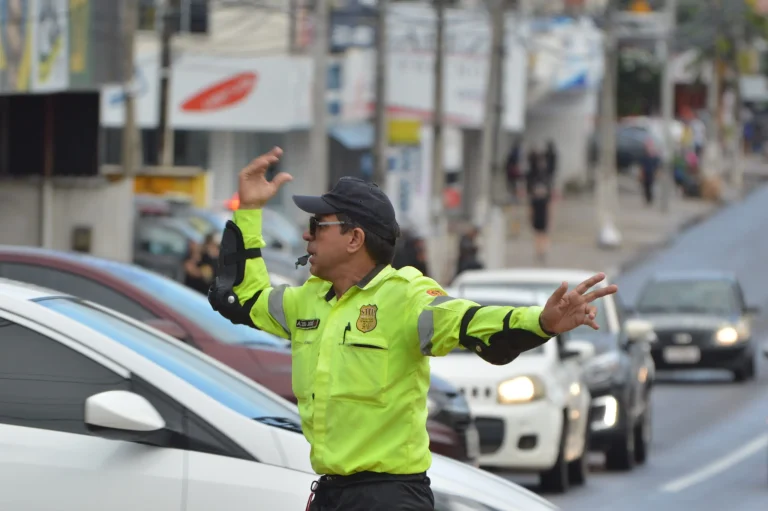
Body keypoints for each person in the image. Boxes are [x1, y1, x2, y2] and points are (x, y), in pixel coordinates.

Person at [208, 147, 618, 511]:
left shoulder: (405, 296)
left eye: (318, 224)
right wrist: (248, 210)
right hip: (332, 495)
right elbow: (240, 298)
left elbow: (469, 322)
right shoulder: (308, 301)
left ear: (354, 238)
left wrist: (540, 322)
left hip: (390, 498)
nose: (306, 234)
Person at [526, 147, 555, 263]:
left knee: (540, 234)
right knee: (541, 234)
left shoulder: (537, 195)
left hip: (540, 214)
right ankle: (541, 250)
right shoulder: (543, 179)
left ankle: (540, 250)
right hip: (541, 214)